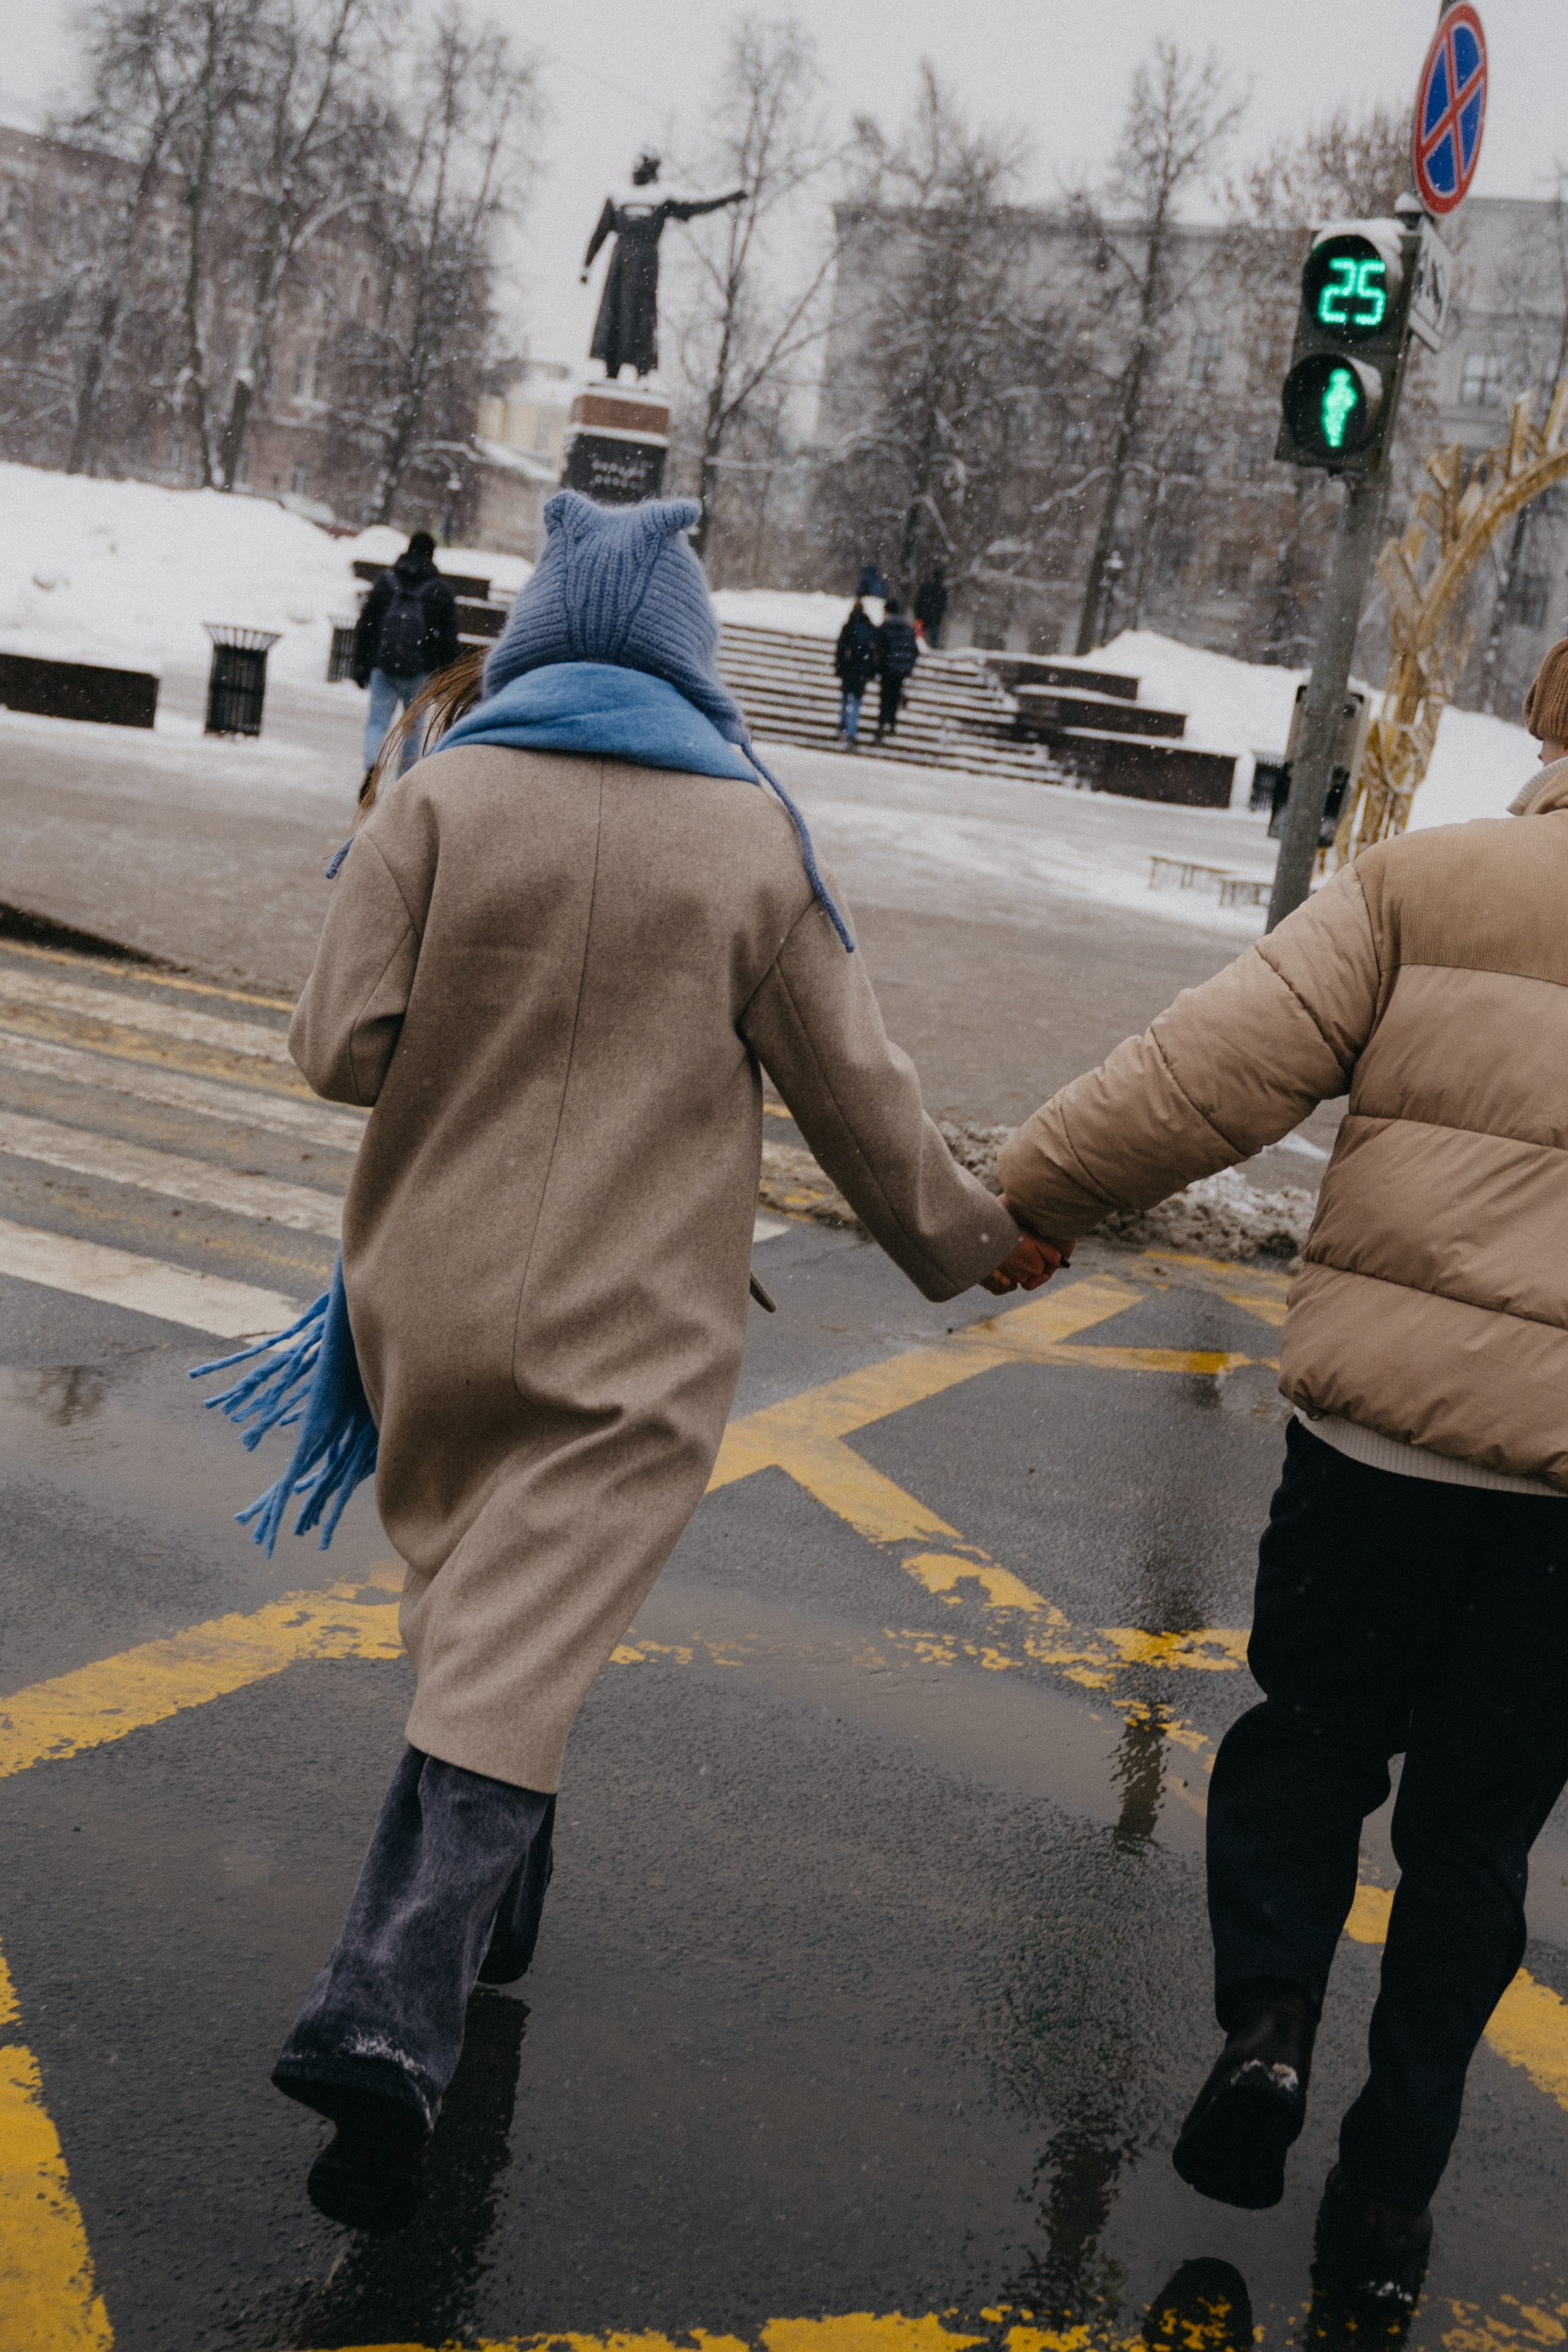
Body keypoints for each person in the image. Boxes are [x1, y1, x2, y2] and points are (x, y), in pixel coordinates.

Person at [267, 489, 1057, 2233]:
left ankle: (498, 1913)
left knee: (483, 1605)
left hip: (431, 1297)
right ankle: (382, 2024)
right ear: (693, 651)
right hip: (633, 1335)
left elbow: (337, 1048)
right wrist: (974, 1236)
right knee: (517, 1639)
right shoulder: (752, 841)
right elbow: (865, 1107)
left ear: (545, 626)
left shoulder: (442, 795)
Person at [995, 634, 1568, 2315]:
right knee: (1476, 1838)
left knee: (1311, 1741)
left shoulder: (1427, 886)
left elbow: (1209, 1074)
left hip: (1372, 1455)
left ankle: (1268, 2030)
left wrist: (1039, 1187)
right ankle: (1389, 2202)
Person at [350, 532, 459, 792]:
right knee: (413, 732)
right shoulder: (440, 590)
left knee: (377, 722)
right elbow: (449, 638)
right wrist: (444, 674)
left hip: (384, 666)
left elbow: (366, 624)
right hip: (420, 673)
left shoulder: (387, 582)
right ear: (432, 554)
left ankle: (372, 766)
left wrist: (362, 663)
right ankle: (403, 788)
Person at [834, 597, 880, 746]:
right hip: (862, 672)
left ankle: (843, 724)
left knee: (846, 699)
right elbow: (874, 652)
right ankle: (852, 731)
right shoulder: (870, 629)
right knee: (857, 703)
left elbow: (841, 650)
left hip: (849, 670)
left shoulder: (848, 627)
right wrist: (871, 671)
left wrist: (840, 668)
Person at [875, 597, 920, 739]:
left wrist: (880, 666)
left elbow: (880, 649)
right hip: (901, 669)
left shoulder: (885, 627)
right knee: (895, 696)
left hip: (888, 669)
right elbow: (914, 650)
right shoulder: (908, 628)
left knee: (885, 697)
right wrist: (908, 666)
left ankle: (882, 724)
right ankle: (892, 723)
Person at [914, 568, 948, 650]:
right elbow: (943, 606)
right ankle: (933, 656)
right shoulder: (942, 590)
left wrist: (918, 615)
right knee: (934, 641)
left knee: (918, 639)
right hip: (935, 619)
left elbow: (918, 602)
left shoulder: (925, 586)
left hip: (922, 617)